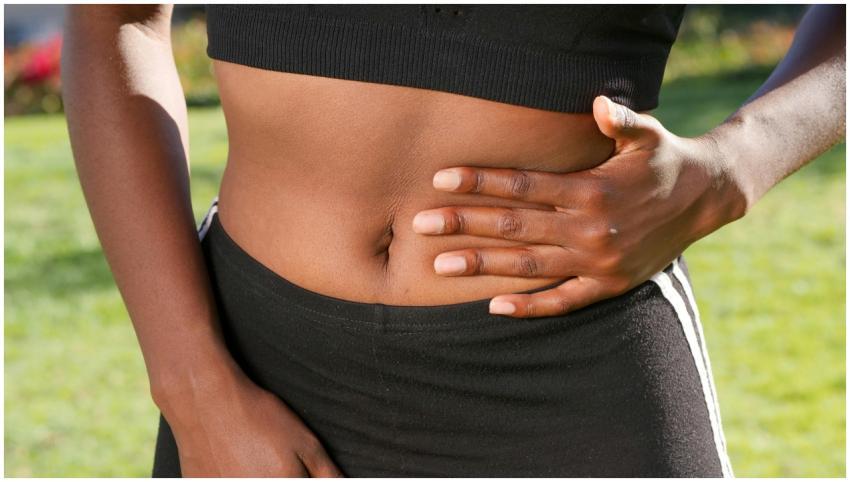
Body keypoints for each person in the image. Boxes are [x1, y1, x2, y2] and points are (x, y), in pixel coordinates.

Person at [61, 4, 844, 477]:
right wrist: (197, 394)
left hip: (570, 373)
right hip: (255, 367)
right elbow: (113, 18)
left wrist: (733, 166)